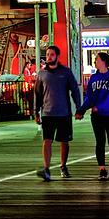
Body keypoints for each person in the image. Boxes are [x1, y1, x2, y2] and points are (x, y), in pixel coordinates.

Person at [34, 45, 81, 181]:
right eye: (47, 54)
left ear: (57, 56)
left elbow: (75, 90)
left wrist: (79, 108)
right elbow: (37, 94)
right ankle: (46, 169)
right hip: (47, 113)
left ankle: (63, 166)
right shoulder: (41, 74)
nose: (49, 57)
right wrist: (35, 112)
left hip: (64, 113)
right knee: (46, 141)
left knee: (64, 141)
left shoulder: (66, 72)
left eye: (52, 54)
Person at [75, 52, 109, 180]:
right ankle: (101, 169)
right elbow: (89, 97)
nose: (95, 62)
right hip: (97, 116)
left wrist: (99, 107)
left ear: (103, 62)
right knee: (100, 141)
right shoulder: (93, 78)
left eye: (97, 60)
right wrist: (81, 110)